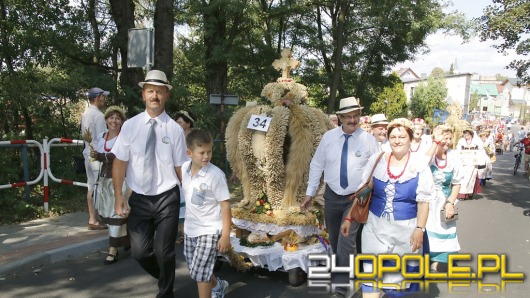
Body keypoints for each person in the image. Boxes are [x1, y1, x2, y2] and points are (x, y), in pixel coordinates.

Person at [112, 70, 188, 297]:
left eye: (160, 92)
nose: (155, 96)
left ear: (166, 95)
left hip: (167, 197)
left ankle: (166, 292)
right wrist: (119, 196)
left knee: (164, 252)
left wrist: (193, 197)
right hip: (140, 198)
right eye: (151, 91)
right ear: (144, 94)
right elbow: (120, 162)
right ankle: (166, 277)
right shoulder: (131, 126)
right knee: (140, 253)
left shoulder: (175, 130)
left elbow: (180, 167)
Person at [340, 118, 434, 297]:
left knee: (396, 287)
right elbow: (364, 191)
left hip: (405, 232)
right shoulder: (378, 160)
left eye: (402, 136)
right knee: (371, 280)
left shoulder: (419, 165)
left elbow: (423, 202)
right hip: (375, 229)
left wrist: (420, 229)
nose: (397, 140)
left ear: (410, 139)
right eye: (393, 136)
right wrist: (349, 217)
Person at [301, 96, 378, 298]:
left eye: (356, 116)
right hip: (332, 197)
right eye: (348, 117)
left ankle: (341, 289)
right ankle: (350, 271)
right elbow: (317, 164)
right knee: (335, 241)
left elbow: (376, 172)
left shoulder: (369, 141)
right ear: (340, 117)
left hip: (355, 199)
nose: (353, 120)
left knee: (346, 240)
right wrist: (310, 193)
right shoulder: (329, 138)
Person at [182, 128, 231, 298]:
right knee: (196, 270)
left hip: (209, 230)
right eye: (201, 152)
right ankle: (218, 286)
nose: (206, 156)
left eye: (209, 151)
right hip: (190, 229)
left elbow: (225, 206)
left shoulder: (215, 175)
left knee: (201, 273)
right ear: (189, 153)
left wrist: (225, 235)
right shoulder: (184, 169)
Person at [91, 106, 130, 264]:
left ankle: (112, 250)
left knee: (117, 214)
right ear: (106, 120)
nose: (114, 121)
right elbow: (100, 158)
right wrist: (95, 156)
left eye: (118, 118)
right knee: (107, 212)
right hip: (104, 180)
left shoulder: (125, 138)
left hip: (121, 180)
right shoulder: (101, 137)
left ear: (122, 121)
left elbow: (121, 158)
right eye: (111, 118)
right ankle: (127, 240)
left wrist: (102, 156)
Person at [425, 124, 463, 273]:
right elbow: (421, 164)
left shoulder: (453, 158)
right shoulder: (429, 156)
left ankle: (435, 264)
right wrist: (435, 143)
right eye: (444, 138)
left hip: (442, 202)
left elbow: (457, 183)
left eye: (449, 138)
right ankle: (424, 260)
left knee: (444, 230)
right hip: (426, 202)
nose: (447, 141)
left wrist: (450, 203)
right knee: (425, 230)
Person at [81, 87, 109, 230]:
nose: (104, 99)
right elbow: (102, 137)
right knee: (99, 186)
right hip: (96, 155)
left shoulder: (86, 113)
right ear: (97, 97)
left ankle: (93, 217)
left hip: (87, 153)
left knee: (91, 185)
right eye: (103, 97)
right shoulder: (98, 116)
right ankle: (96, 218)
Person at [174, 110, 195, 242]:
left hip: (191, 170)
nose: (177, 124)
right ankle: (181, 232)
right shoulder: (174, 135)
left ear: (188, 123)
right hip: (177, 171)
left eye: (180, 122)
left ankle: (191, 230)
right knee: (181, 201)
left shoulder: (193, 136)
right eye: (176, 122)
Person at [456, 125, 485, 200]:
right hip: (463, 162)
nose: (465, 136)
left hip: (473, 162)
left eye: (467, 134)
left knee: (471, 178)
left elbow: (481, 149)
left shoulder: (476, 141)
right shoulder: (461, 141)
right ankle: (462, 193)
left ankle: (469, 192)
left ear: (471, 134)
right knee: (463, 178)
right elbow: (458, 150)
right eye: (464, 134)